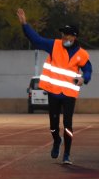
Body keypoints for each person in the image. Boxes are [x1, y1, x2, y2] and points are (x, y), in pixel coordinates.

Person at [17, 8, 92, 165]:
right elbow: (36, 40)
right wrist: (25, 24)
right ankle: (56, 140)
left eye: (67, 34)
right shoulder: (54, 45)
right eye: (63, 34)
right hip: (53, 92)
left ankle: (67, 154)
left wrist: (84, 78)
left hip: (69, 94)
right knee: (53, 125)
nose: (64, 37)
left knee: (68, 124)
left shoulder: (82, 54)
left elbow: (88, 69)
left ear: (74, 36)